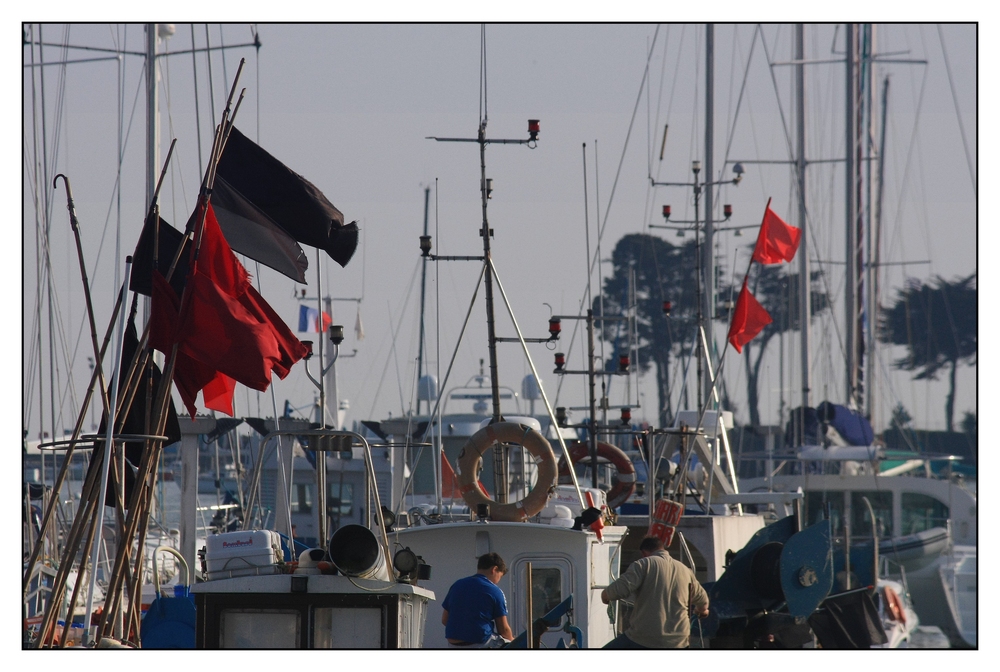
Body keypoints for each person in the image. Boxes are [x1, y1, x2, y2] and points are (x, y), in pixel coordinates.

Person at [601, 535, 709, 649]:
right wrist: (702, 610)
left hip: (645, 639)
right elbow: (703, 600)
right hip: (680, 642)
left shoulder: (643, 564)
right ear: (662, 549)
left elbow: (618, 590)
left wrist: (605, 596)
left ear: (644, 553)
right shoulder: (686, 570)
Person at [441, 552, 514, 648]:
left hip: (453, 643)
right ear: (494, 569)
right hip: (480, 642)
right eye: (499, 576)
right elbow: (503, 630)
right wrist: (513, 640)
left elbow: (445, 620)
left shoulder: (457, 585)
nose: (498, 581)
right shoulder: (495, 591)